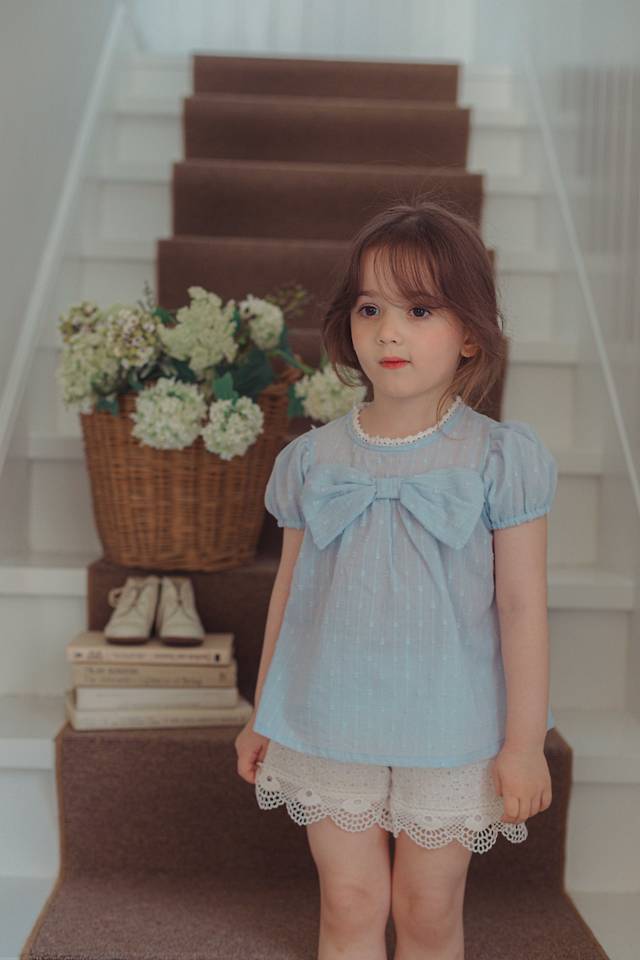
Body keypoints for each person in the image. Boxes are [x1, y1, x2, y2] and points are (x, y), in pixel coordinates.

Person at [234, 197, 558, 960]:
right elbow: (289, 594)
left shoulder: (498, 458)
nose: (388, 332)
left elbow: (521, 606)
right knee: (348, 901)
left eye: (419, 310)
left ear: (471, 333)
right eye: (371, 308)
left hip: (451, 723)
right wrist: (263, 713)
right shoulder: (312, 460)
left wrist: (523, 743)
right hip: (328, 715)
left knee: (427, 907)